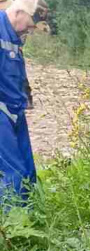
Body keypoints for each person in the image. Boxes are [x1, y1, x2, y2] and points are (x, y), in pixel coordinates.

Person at [0, 0, 47, 205]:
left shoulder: (16, 38)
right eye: (29, 24)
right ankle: (15, 229)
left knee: (28, 170)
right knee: (14, 173)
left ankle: (32, 219)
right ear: (19, 12)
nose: (31, 30)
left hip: (16, 111)